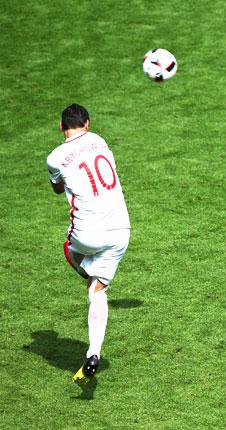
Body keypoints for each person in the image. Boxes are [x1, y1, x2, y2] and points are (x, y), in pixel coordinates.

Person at [46, 104, 131, 383]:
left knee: (69, 250)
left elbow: (58, 188)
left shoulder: (55, 158)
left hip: (87, 234)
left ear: (61, 126)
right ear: (88, 123)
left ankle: (88, 272)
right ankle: (93, 352)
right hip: (121, 230)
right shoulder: (99, 141)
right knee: (98, 292)